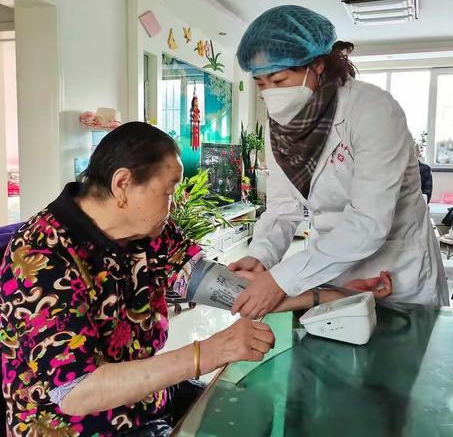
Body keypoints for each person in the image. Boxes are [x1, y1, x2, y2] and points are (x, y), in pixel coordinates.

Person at [0, 122, 391, 436]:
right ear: (122, 184)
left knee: (258, 410)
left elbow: (234, 293)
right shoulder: (39, 256)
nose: (174, 203)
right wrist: (209, 352)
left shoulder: (149, 234)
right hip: (73, 425)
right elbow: (77, 392)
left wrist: (329, 296)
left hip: (146, 402)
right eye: (168, 190)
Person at [229, 5, 448, 320]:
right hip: (328, 268)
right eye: (261, 84)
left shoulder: (373, 110)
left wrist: (282, 279)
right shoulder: (280, 125)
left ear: (316, 66)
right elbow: (283, 206)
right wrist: (261, 256)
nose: (271, 95)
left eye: (278, 80)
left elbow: (369, 222)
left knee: (401, 362)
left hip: (397, 268)